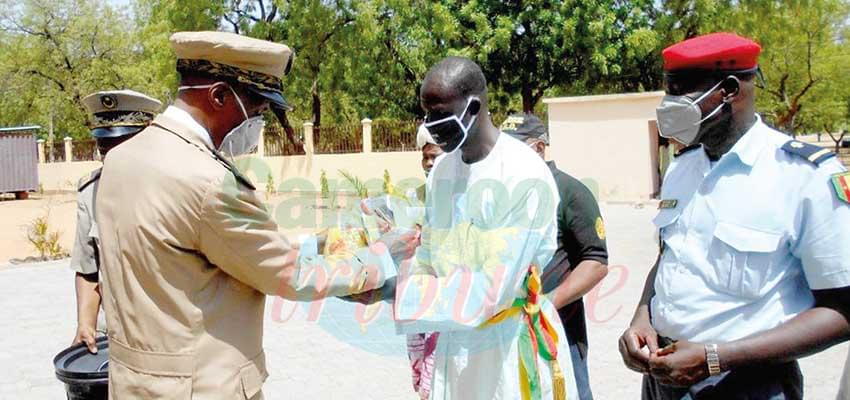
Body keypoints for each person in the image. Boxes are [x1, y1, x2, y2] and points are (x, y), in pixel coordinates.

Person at [95, 31, 410, 399]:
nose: (258, 126)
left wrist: (316, 242)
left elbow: (196, 252)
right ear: (219, 95)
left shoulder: (122, 158)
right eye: (257, 111)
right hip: (203, 387)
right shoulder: (207, 179)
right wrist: (381, 256)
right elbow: (290, 277)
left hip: (136, 382)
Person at [618, 32, 850, 399]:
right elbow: (669, 259)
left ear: (728, 90)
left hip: (749, 384)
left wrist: (715, 358)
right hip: (664, 380)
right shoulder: (682, 169)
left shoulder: (805, 177)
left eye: (680, 91)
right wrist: (642, 317)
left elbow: (842, 311)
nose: (669, 104)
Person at [391, 56, 579, 400]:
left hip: (506, 346)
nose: (430, 125)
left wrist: (399, 294)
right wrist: (386, 275)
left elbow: (492, 292)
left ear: (473, 107)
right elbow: (429, 254)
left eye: (439, 114)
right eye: (426, 114)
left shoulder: (522, 174)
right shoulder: (443, 172)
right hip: (454, 345)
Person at [502, 113, 608, 400]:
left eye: (516, 148)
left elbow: (596, 261)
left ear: (539, 148)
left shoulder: (570, 191)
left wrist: (545, 306)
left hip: (558, 329)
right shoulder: (506, 194)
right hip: (509, 330)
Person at [69, 90, 162, 354]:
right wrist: (85, 324)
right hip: (115, 335)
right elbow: (88, 269)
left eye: (120, 147)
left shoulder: (176, 187)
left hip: (170, 335)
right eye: (104, 149)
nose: (111, 158)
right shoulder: (90, 191)